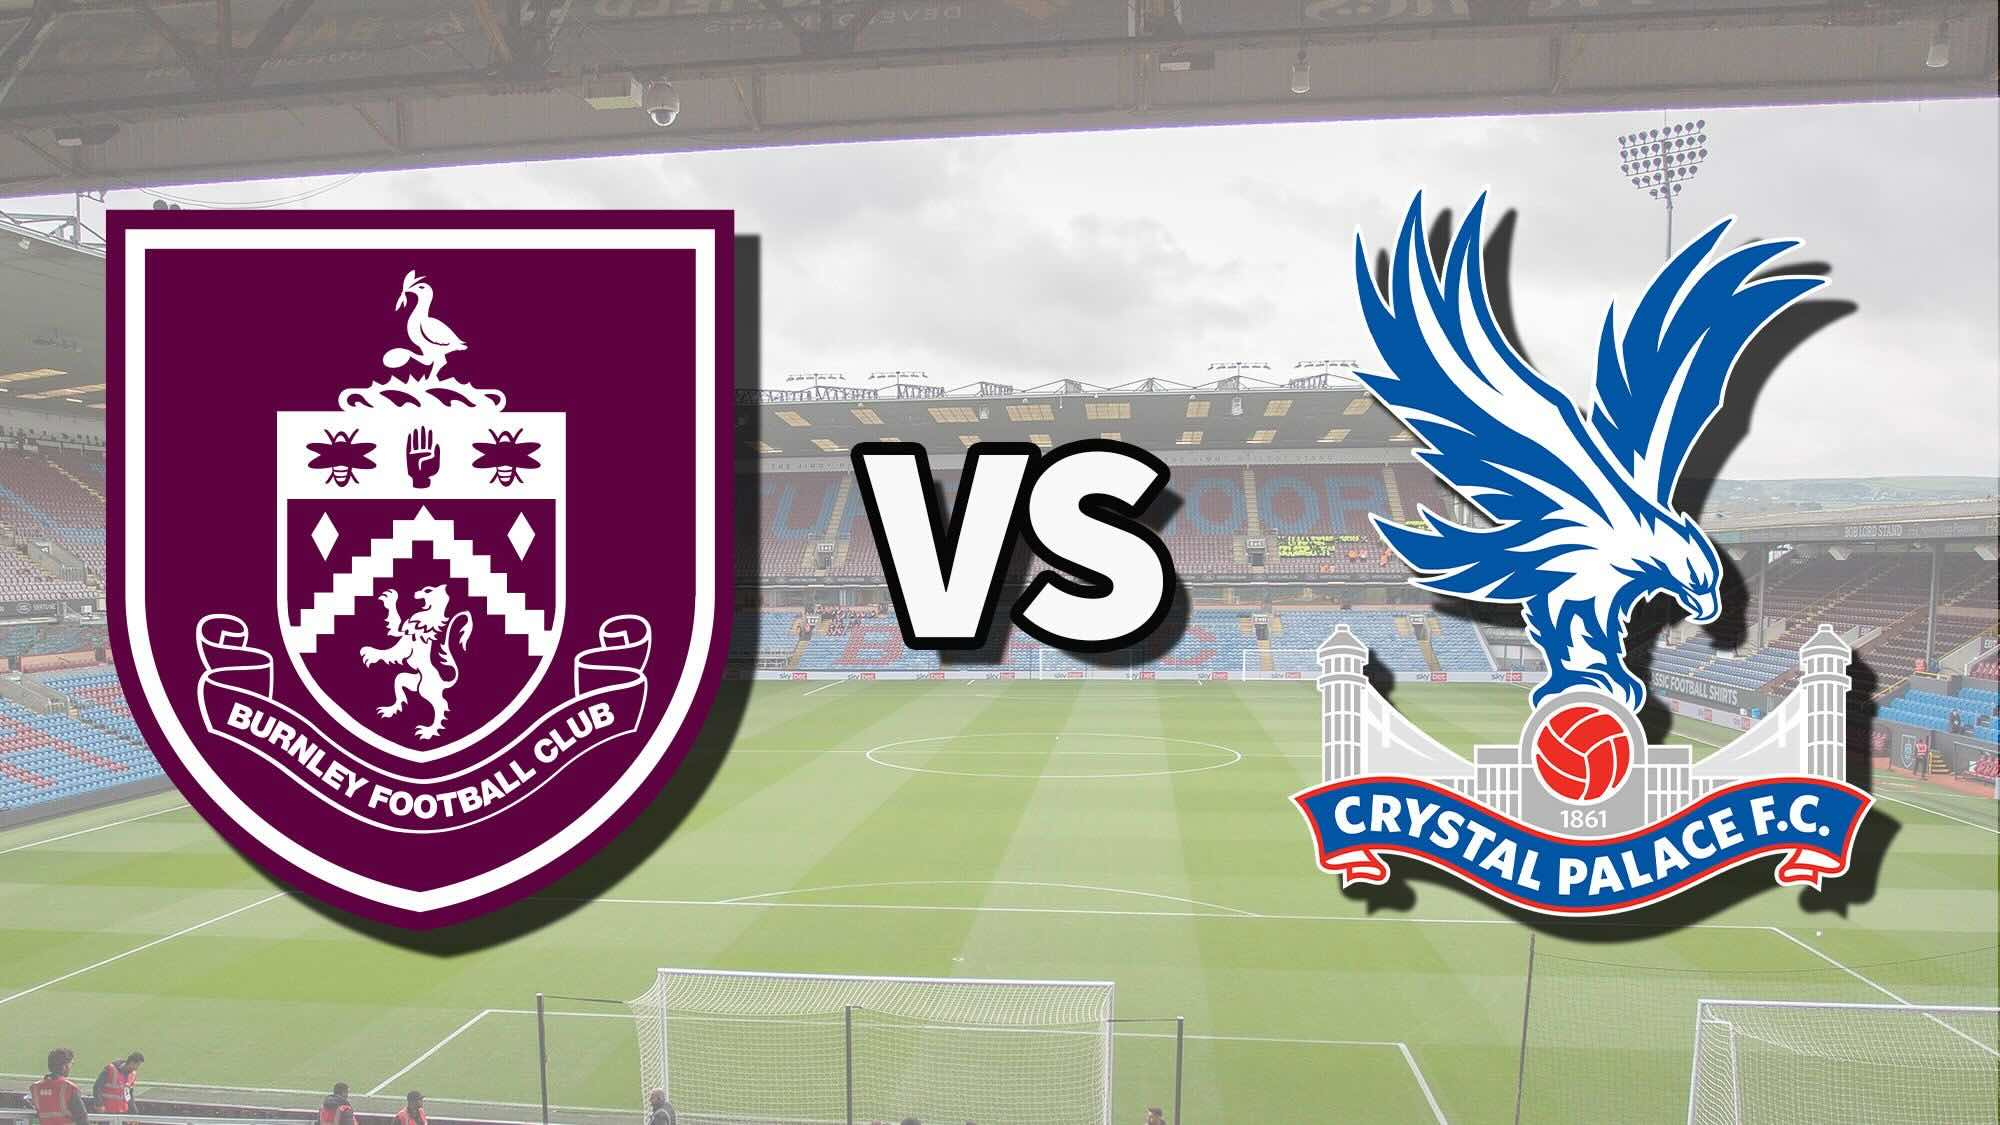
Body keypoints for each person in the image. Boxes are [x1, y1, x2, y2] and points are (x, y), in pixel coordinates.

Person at [30, 1048, 89, 1125]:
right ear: (64, 1066)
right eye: (71, 1064)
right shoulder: (69, 1087)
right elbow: (82, 1117)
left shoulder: (35, 1088)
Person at [93, 1053, 143, 1118]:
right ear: (131, 1062)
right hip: (107, 1111)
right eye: (137, 1065)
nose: (137, 1068)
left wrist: (134, 1112)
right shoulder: (111, 1069)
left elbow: (129, 1094)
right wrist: (99, 1104)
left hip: (123, 1112)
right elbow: (97, 1087)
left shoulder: (133, 1075)